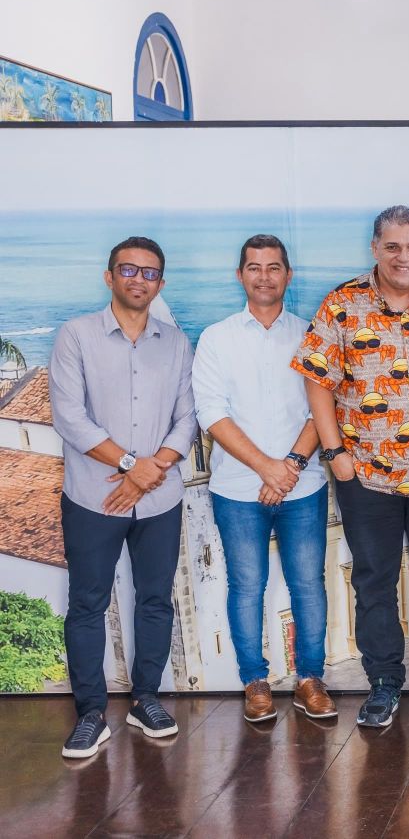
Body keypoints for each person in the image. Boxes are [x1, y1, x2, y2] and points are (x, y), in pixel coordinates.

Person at [293, 205, 409, 728]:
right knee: (374, 581)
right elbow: (317, 379)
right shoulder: (343, 304)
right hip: (365, 474)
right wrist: (335, 454)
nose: (403, 256)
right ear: (375, 248)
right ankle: (385, 682)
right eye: (393, 246)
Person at [49, 236, 197, 758]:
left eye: (150, 272)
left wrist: (154, 470)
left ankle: (146, 700)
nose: (139, 279)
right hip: (93, 497)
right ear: (109, 276)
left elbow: (188, 417)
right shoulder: (77, 336)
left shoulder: (176, 343)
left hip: (160, 500)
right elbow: (68, 416)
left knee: (156, 600)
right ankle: (90, 713)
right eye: (128, 270)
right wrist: (134, 466)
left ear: (161, 283)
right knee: (87, 603)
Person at [193, 235, 335, 724]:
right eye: (254, 268)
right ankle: (255, 681)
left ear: (287, 275)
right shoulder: (217, 338)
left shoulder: (312, 333)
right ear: (240, 275)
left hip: (304, 485)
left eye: (274, 267)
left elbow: (325, 407)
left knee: (308, 587)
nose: (264, 276)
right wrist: (267, 468)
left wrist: (290, 467)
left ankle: (310, 680)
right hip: (237, 490)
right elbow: (212, 414)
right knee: (247, 586)